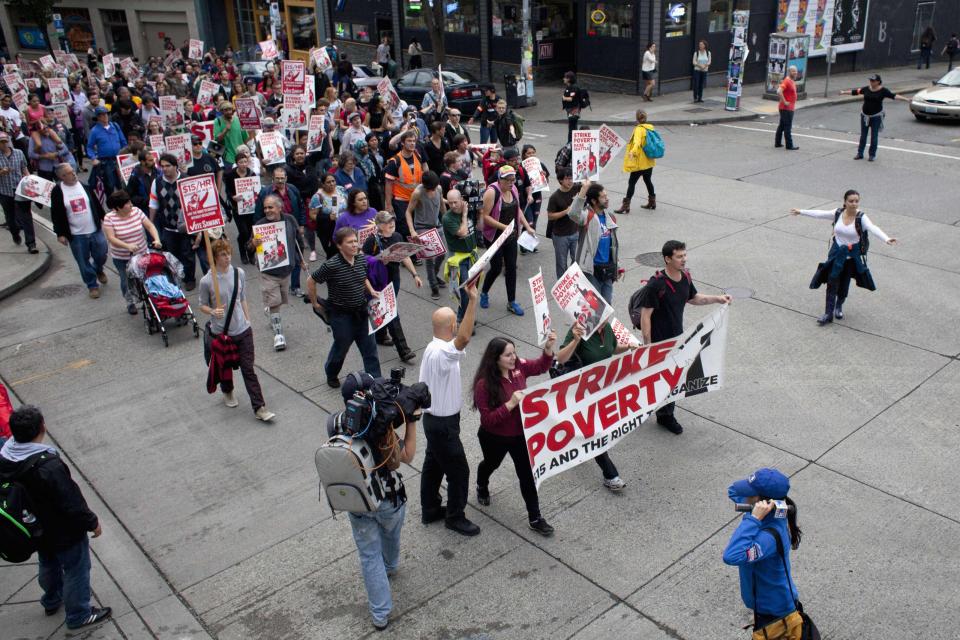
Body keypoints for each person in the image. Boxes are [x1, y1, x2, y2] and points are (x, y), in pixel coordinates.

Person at [0, 406, 113, 631]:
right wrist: (92, 522)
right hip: (63, 529)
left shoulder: (5, 456)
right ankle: (79, 614)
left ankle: (51, 599)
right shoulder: (47, 465)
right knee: (76, 568)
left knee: (47, 561)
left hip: (35, 526)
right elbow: (70, 500)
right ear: (42, 427)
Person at [338, 372, 419, 632]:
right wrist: (412, 421)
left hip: (358, 502)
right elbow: (405, 457)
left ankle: (380, 614)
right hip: (389, 499)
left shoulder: (339, 423)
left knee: (368, 556)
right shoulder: (380, 428)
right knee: (390, 535)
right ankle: (392, 566)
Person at [634, 240, 732, 434]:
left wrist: (717, 299)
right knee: (663, 381)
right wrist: (648, 345)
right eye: (679, 256)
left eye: (684, 255)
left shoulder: (685, 277)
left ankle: (663, 413)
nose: (684, 259)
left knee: (672, 380)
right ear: (667, 259)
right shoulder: (656, 284)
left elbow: (693, 298)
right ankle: (665, 416)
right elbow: (646, 315)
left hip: (677, 339)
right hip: (660, 343)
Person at [472, 334, 557, 536]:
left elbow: (540, 367)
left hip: (520, 435)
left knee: (527, 475)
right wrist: (510, 404)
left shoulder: (519, 368)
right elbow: (487, 419)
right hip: (494, 437)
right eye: (508, 355)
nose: (513, 358)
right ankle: (481, 483)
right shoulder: (484, 385)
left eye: (514, 352)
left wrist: (547, 349)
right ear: (495, 358)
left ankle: (535, 517)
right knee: (491, 464)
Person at [419, 281, 480, 536]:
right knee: (459, 471)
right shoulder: (443, 353)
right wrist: (473, 300)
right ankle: (455, 516)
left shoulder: (433, 348)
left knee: (433, 464)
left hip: (435, 422)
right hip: (443, 424)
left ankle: (431, 508)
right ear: (451, 326)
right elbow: (465, 338)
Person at [790, 190, 897, 325]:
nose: (854, 204)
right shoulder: (838, 213)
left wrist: (886, 238)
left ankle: (839, 305)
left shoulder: (861, 218)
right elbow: (820, 214)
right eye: (851, 201)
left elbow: (872, 227)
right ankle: (828, 314)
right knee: (831, 281)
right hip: (836, 254)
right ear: (845, 202)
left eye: (856, 201)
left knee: (844, 284)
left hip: (851, 257)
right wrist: (801, 211)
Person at [198, 239, 276, 421]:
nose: (227, 257)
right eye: (223, 254)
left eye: (228, 253)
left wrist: (247, 320)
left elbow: (242, 298)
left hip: (243, 330)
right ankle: (227, 390)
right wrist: (212, 311)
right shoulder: (207, 281)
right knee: (225, 367)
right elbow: (202, 305)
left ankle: (260, 407)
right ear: (215, 257)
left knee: (248, 369)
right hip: (221, 333)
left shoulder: (238, 273)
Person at [722, 468, 804, 640]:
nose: (743, 497)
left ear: (762, 502)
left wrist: (753, 519)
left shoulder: (768, 538)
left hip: (774, 610)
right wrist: (754, 486)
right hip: (765, 603)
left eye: (749, 493)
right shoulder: (769, 511)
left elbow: (732, 555)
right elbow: (733, 490)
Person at [555, 319, 632, 491]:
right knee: (593, 432)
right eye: (603, 314)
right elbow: (560, 358)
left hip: (599, 390)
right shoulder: (580, 328)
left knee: (590, 428)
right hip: (579, 392)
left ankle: (573, 444)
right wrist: (575, 340)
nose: (606, 318)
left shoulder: (607, 328)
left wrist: (627, 347)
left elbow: (611, 349)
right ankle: (610, 474)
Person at [308, 227, 383, 387]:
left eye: (356, 241)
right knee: (341, 347)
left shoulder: (361, 259)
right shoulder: (332, 265)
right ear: (340, 245)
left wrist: (371, 290)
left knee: (370, 349)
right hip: (341, 315)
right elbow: (311, 280)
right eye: (350, 242)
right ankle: (331, 373)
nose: (355, 245)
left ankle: (376, 381)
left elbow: (362, 278)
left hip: (362, 312)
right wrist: (315, 302)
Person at [363, 210, 421, 361]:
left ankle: (380, 336)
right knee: (391, 312)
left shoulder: (397, 236)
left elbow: (405, 256)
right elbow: (362, 263)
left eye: (392, 221)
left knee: (387, 308)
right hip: (379, 282)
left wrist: (415, 275)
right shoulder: (371, 241)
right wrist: (379, 261)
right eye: (387, 222)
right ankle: (404, 350)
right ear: (379, 225)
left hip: (394, 279)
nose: (391, 224)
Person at [249, 193, 305, 351]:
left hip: (286, 270)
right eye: (265, 207)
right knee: (275, 302)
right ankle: (279, 335)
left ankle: (271, 310)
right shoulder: (259, 225)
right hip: (268, 272)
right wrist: (253, 243)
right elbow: (249, 249)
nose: (267, 210)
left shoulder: (290, 220)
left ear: (279, 208)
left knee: (279, 301)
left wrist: (301, 260)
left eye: (270, 207)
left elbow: (298, 241)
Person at [478, 165, 536, 316]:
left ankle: (512, 302)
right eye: (508, 180)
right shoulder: (492, 192)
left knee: (511, 268)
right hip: (494, 237)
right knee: (496, 267)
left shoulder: (514, 190)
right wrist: (504, 227)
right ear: (500, 179)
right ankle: (484, 292)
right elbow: (485, 217)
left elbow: (518, 210)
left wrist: (527, 227)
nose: (512, 183)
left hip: (510, 235)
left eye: (513, 179)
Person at [149, 153, 208, 291]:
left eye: (168, 166)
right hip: (168, 228)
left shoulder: (187, 180)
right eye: (162, 166)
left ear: (175, 166)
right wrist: (151, 224)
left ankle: (189, 279)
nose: (164, 169)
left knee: (188, 255)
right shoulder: (156, 182)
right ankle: (176, 278)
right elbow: (153, 204)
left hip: (186, 227)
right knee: (172, 256)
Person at [50, 163, 109, 299]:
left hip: (94, 230)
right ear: (62, 176)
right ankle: (92, 285)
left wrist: (105, 218)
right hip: (76, 235)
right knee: (83, 261)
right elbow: (56, 214)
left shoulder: (83, 186)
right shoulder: (58, 191)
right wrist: (60, 233)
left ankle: (98, 269)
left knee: (102, 253)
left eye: (73, 170)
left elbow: (95, 204)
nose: (74, 173)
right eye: (70, 172)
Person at [102, 189, 162, 315]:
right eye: (127, 203)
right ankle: (130, 302)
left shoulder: (137, 211)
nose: (131, 205)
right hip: (122, 257)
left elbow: (149, 226)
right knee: (126, 280)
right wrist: (127, 246)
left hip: (142, 253)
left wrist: (156, 239)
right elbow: (111, 238)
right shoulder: (109, 218)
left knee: (149, 276)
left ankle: (153, 298)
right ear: (118, 207)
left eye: (130, 202)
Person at [255, 165, 306, 296]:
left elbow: (301, 207)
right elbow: (258, 213)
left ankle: (295, 286)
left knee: (295, 255)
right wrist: (258, 229)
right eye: (277, 178)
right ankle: (277, 285)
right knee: (276, 257)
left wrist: (301, 224)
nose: (280, 181)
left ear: (286, 178)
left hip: (290, 226)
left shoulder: (293, 189)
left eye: (282, 178)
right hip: (273, 229)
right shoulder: (265, 192)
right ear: (273, 179)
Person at [839, 74, 910, 162]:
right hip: (865, 116)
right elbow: (855, 92)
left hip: (876, 117)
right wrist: (843, 92)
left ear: (878, 82)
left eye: (873, 81)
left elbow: (894, 96)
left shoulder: (883, 91)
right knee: (863, 136)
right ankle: (860, 153)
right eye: (870, 80)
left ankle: (872, 155)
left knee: (874, 136)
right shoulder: (866, 89)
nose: (871, 82)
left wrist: (907, 99)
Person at [406, 171, 447, 299]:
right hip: (422, 228)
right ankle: (434, 286)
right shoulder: (418, 193)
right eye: (431, 188)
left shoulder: (438, 188)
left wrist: (446, 220)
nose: (433, 190)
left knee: (442, 253)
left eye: (435, 187)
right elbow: (408, 212)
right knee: (429, 258)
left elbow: (442, 205)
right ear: (425, 186)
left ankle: (433, 275)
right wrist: (412, 231)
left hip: (437, 225)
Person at [441, 189, 477, 322]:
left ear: (461, 199)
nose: (453, 206)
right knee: (465, 291)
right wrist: (465, 215)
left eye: (455, 202)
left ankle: (467, 315)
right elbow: (462, 232)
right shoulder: (447, 218)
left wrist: (479, 211)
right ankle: (463, 319)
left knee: (472, 288)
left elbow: (479, 226)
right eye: (450, 203)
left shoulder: (470, 209)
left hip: (471, 255)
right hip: (458, 259)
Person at [384, 129, 424, 244]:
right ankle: (410, 256)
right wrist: (388, 204)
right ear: (402, 143)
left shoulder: (417, 155)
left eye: (414, 141)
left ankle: (416, 254)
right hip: (401, 201)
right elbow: (388, 184)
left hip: (416, 198)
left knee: (416, 226)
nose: (412, 143)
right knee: (405, 228)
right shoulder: (395, 161)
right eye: (409, 141)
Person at [616, 110, 657, 214]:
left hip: (640, 162)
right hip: (649, 160)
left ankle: (626, 206)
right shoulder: (650, 128)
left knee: (631, 183)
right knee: (648, 180)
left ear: (637, 119)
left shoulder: (639, 129)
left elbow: (637, 142)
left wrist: (632, 152)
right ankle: (652, 202)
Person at [0, 131, 35, 253]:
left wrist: (29, 179)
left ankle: (31, 243)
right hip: (5, 191)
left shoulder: (19, 153)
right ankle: (15, 233)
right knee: (10, 218)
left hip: (20, 189)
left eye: (5, 141)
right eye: (1, 142)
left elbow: (24, 168)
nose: (3, 144)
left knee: (26, 216)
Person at [222, 152, 257, 264]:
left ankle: (251, 254)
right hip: (237, 208)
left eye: (245, 161)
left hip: (251, 208)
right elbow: (227, 191)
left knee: (252, 232)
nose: (243, 164)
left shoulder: (252, 174)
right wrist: (233, 197)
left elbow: (256, 190)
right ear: (236, 163)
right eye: (240, 162)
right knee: (244, 232)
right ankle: (243, 253)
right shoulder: (230, 175)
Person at [546, 167, 579, 279]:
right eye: (567, 179)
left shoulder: (576, 188)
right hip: (560, 235)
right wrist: (565, 212)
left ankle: (575, 281)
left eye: (572, 178)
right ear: (560, 180)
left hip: (575, 232)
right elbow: (550, 216)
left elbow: (588, 186)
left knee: (577, 260)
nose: (570, 181)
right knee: (561, 263)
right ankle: (562, 286)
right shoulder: (554, 197)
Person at [86, 106, 127, 195]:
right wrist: (93, 158)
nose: (105, 116)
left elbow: (123, 141)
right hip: (106, 161)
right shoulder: (94, 131)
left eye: (106, 114)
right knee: (109, 185)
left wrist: (126, 154)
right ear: (98, 117)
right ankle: (111, 205)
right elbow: (89, 147)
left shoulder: (115, 126)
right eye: (102, 115)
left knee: (123, 183)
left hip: (119, 159)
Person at [309, 173, 349, 259]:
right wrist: (328, 218)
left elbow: (348, 204)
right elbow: (312, 215)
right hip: (328, 231)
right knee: (334, 256)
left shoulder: (341, 190)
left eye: (333, 181)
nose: (332, 184)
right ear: (323, 184)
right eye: (328, 182)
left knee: (347, 252)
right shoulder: (318, 197)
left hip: (344, 227)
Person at [213, 100, 249, 166]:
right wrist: (226, 129)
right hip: (228, 158)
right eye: (226, 110)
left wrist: (247, 153)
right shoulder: (217, 121)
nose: (229, 112)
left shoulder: (238, 119)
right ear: (222, 111)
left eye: (230, 109)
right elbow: (217, 139)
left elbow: (245, 139)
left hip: (241, 157)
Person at [125, 149, 159, 213]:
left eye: (153, 159)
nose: (153, 162)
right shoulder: (135, 176)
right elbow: (130, 195)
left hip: (159, 209)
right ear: (143, 162)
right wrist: (146, 201)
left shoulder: (158, 172)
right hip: (144, 210)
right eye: (150, 160)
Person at [775, 66, 799, 151]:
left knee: (782, 126)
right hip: (786, 108)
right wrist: (785, 101)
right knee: (787, 127)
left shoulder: (791, 81)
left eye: (796, 71)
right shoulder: (787, 81)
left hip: (787, 108)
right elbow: (778, 91)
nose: (795, 73)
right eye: (793, 71)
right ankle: (789, 145)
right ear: (789, 72)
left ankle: (777, 143)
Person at [561, 71, 582, 144]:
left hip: (573, 109)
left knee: (572, 126)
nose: (563, 79)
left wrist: (564, 98)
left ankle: (570, 142)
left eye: (565, 78)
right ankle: (573, 141)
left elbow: (571, 98)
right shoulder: (569, 87)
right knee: (573, 125)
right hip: (570, 110)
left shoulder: (574, 87)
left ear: (569, 79)